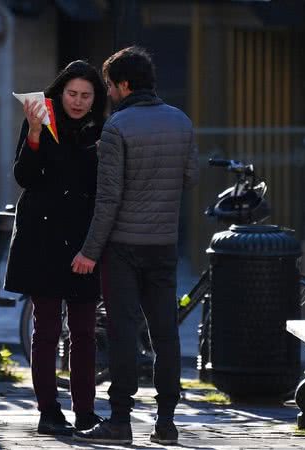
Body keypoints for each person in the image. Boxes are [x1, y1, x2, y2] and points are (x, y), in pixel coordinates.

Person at [71, 46, 199, 445]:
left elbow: (108, 199)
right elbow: (190, 176)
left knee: (123, 331)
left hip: (123, 246)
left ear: (124, 85)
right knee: (165, 334)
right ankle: (165, 423)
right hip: (163, 243)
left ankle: (121, 421)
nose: (107, 92)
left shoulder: (117, 127)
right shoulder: (181, 121)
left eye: (109, 85)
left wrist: (89, 251)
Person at [4, 60, 107, 436]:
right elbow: (24, 177)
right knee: (45, 329)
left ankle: (85, 412)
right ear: (59, 92)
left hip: (84, 238)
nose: (78, 102)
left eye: (86, 95)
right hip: (42, 236)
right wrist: (33, 133)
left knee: (84, 330)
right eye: (72, 94)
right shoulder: (39, 119)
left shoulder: (101, 130)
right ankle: (48, 411)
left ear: (95, 98)